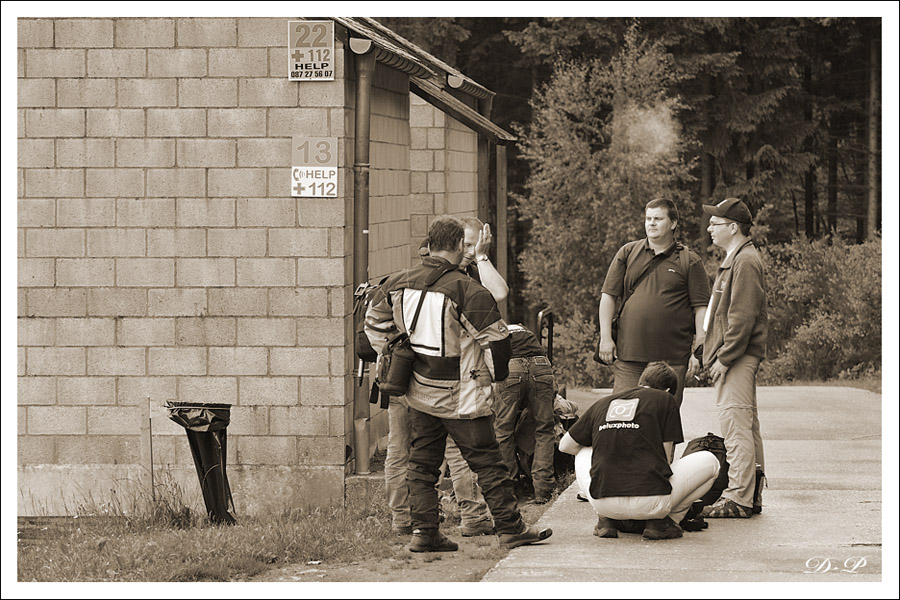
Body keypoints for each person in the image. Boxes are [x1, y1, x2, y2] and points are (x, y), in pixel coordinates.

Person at [365, 216, 551, 552]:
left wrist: (393, 350)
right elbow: (497, 341)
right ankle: (511, 528)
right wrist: (493, 378)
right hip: (463, 396)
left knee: (421, 465)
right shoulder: (467, 290)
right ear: (455, 246)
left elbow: (373, 322)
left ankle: (424, 533)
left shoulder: (397, 282)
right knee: (488, 463)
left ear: (431, 243)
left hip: (419, 392)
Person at [559, 362, 720, 540]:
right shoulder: (665, 399)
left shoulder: (603, 403)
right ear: (667, 390)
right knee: (711, 462)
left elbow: (565, 446)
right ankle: (663, 523)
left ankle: (605, 520)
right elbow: (665, 461)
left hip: (604, 502)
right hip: (651, 502)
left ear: (641, 381)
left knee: (581, 450)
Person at [597, 198, 710, 407]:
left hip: (672, 359)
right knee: (622, 417)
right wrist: (605, 337)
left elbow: (701, 307)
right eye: (648, 218)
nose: (651, 223)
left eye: (658, 218)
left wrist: (699, 348)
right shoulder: (628, 252)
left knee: (664, 419)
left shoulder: (690, 260)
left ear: (673, 223)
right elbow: (608, 296)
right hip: (629, 355)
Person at [700, 198, 768, 519]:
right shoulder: (735, 259)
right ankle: (750, 494)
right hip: (735, 356)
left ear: (733, 227)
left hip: (737, 358)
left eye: (715, 223)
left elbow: (742, 319)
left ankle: (737, 498)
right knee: (745, 424)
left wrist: (723, 358)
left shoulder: (745, 262)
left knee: (735, 425)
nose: (709, 228)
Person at [493, 323, 557, 504]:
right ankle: (543, 489)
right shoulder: (527, 333)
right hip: (541, 365)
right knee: (544, 429)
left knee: (503, 431)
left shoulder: (497, 331)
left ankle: (510, 488)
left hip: (511, 367)